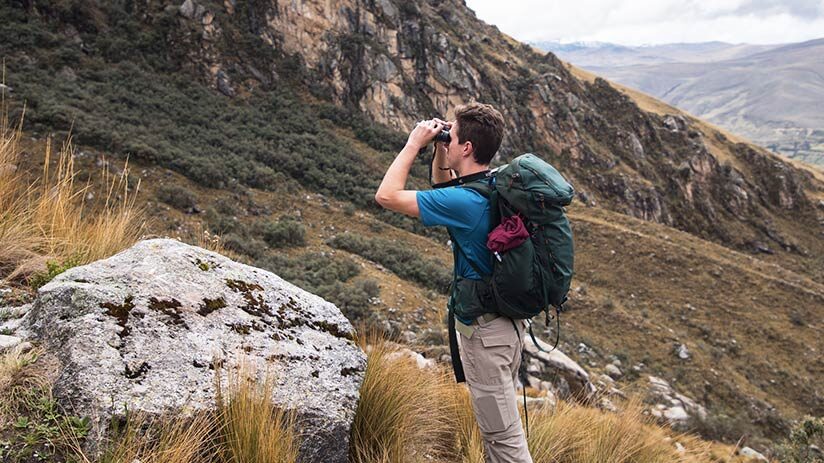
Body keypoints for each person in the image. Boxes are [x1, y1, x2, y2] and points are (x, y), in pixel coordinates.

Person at [374, 102, 533, 463]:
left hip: (486, 335)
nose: (449, 138)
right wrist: (441, 152)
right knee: (499, 433)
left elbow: (386, 196)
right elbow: (446, 185)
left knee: (504, 440)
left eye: (454, 136)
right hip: (506, 325)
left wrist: (414, 143)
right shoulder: (492, 186)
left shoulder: (465, 201)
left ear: (467, 148)